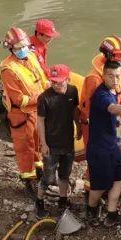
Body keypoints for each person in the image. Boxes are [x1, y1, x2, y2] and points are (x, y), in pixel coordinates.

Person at [0, 26, 49, 199]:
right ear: (11, 49)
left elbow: (42, 78)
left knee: (37, 143)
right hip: (21, 115)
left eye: (24, 46)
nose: (22, 50)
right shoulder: (8, 69)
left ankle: (40, 173)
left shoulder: (32, 56)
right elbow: (19, 99)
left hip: (37, 111)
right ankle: (29, 181)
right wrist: (42, 96)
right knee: (24, 148)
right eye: (18, 48)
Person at [86, 62, 121, 225]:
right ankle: (91, 210)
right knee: (100, 185)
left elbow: (112, 116)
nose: (115, 79)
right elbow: (113, 109)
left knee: (120, 177)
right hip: (99, 148)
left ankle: (111, 214)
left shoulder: (113, 91)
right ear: (103, 76)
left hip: (111, 146)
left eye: (118, 75)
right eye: (111, 75)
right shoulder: (102, 95)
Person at [36, 64, 81, 218]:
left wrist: (79, 126)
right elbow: (40, 121)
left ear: (67, 79)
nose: (55, 85)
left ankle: (63, 201)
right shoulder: (44, 98)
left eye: (59, 82)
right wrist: (43, 144)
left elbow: (75, 110)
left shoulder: (73, 91)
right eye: (53, 81)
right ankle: (39, 202)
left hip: (67, 142)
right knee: (48, 177)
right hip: (51, 145)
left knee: (64, 175)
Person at [80, 36, 121, 153]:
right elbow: (88, 108)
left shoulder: (114, 70)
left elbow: (117, 91)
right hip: (93, 123)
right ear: (108, 56)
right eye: (119, 57)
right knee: (95, 156)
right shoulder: (94, 79)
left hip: (109, 117)